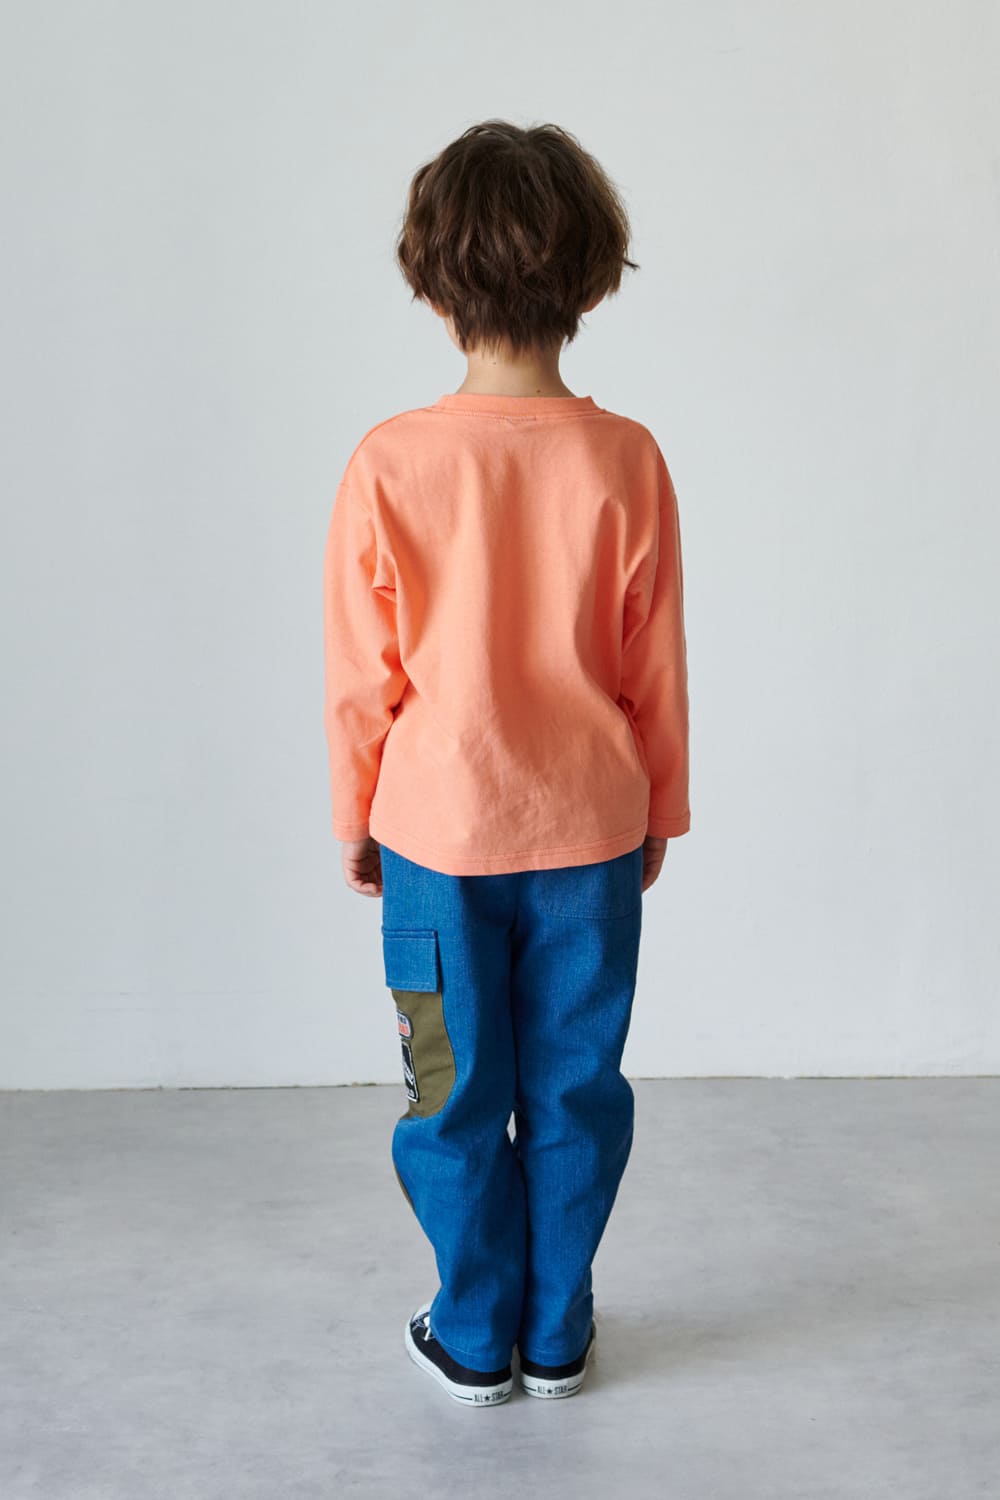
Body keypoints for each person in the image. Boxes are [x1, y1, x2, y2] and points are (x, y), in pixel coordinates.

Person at [321, 119, 691, 1406]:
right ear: (590, 278)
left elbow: (363, 677)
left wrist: (356, 813)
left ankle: (474, 1332)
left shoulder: (390, 461)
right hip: (591, 832)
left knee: (449, 1084)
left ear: (431, 283)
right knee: (577, 1085)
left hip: (435, 839)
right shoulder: (625, 456)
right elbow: (652, 664)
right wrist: (660, 810)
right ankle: (558, 1326)